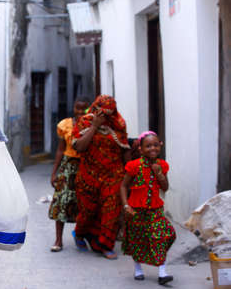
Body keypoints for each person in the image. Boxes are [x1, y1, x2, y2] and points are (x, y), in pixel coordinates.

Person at [71, 95, 130, 260]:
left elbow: (125, 149)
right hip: (88, 176)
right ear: (95, 109)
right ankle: (80, 233)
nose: (104, 116)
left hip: (114, 175)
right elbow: (80, 147)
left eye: (108, 113)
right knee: (87, 212)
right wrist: (94, 127)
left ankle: (106, 245)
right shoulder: (84, 122)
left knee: (111, 211)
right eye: (100, 112)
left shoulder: (119, 124)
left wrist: (129, 175)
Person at [120, 131, 176, 285]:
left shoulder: (162, 165)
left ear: (160, 146)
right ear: (141, 149)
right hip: (136, 211)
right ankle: (138, 269)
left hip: (155, 210)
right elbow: (123, 186)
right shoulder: (134, 166)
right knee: (138, 240)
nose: (153, 148)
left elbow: (165, 188)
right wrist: (126, 205)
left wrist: (160, 174)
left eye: (156, 145)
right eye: (148, 146)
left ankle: (162, 272)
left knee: (164, 236)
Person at [48, 97, 89, 252]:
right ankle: (58, 240)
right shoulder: (65, 125)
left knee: (83, 203)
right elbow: (60, 149)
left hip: (84, 165)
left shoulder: (91, 125)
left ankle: (79, 236)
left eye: (83, 108)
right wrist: (54, 172)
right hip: (67, 166)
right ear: (73, 108)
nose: (80, 112)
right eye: (77, 108)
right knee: (61, 201)